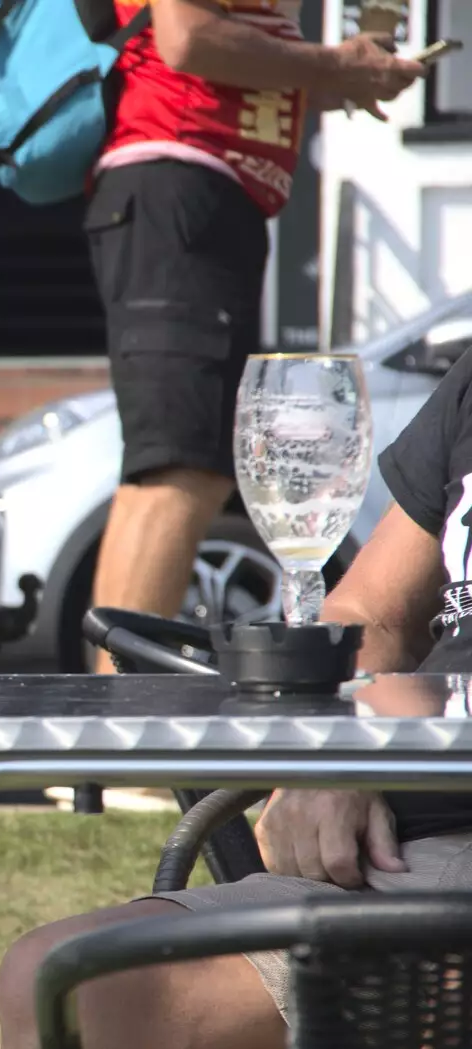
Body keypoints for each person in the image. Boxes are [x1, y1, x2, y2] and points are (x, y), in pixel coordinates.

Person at [0, 341, 472, 1047]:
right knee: (49, 977)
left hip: (449, 855)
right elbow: (371, 613)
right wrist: (331, 760)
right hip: (388, 849)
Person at [85, 0, 424, 674]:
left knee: (188, 466)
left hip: (207, 198)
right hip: (175, 184)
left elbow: (245, 71)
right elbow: (186, 39)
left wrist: (344, 79)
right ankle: (118, 753)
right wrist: (334, 62)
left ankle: (115, 751)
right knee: (176, 467)